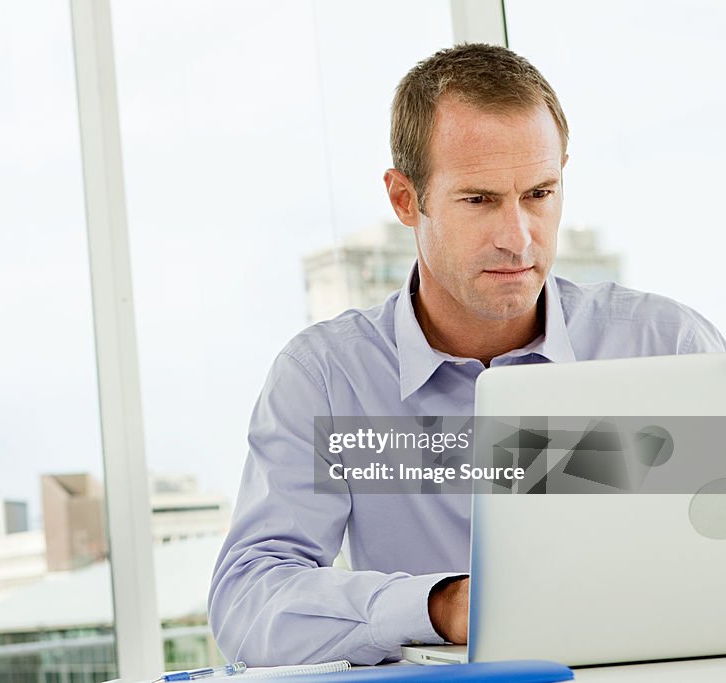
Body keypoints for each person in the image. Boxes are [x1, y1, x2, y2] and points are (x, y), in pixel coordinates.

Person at [207, 43, 726, 666]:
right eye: (478, 200)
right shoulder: (326, 378)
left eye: (539, 193)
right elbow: (247, 601)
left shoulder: (664, 347)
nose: (518, 238)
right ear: (406, 199)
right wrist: (438, 606)